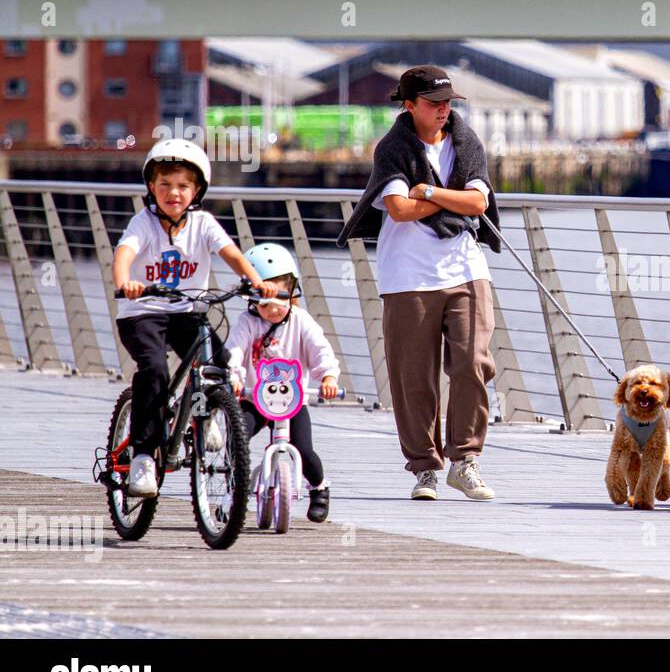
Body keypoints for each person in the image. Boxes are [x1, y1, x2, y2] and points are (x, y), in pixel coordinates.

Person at [336, 65, 500, 503]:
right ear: (409, 106)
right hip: (407, 275)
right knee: (414, 377)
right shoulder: (392, 148)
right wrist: (451, 199)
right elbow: (397, 208)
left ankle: (464, 462)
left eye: (448, 102)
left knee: (472, 364)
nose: (444, 109)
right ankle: (426, 468)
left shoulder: (467, 142)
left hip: (466, 268)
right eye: (433, 103)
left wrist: (427, 191)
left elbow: (478, 201)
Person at [113, 138, 275, 498]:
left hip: (187, 309)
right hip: (144, 312)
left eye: (184, 186)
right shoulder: (143, 223)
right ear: (151, 187)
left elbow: (229, 252)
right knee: (155, 369)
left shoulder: (203, 222)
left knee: (218, 361)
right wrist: (126, 283)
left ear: (197, 189)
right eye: (165, 184)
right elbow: (125, 252)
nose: (174, 192)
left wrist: (255, 280)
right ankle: (142, 456)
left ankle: (205, 417)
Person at [226, 243, 340, 523]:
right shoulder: (247, 323)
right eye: (265, 304)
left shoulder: (301, 321)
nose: (274, 310)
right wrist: (234, 377)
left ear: (292, 291)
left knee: (303, 448)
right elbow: (235, 353)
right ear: (251, 300)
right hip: (255, 399)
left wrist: (328, 377)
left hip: (292, 402)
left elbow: (320, 349)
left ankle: (319, 488)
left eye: (280, 300)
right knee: (236, 438)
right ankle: (233, 487)